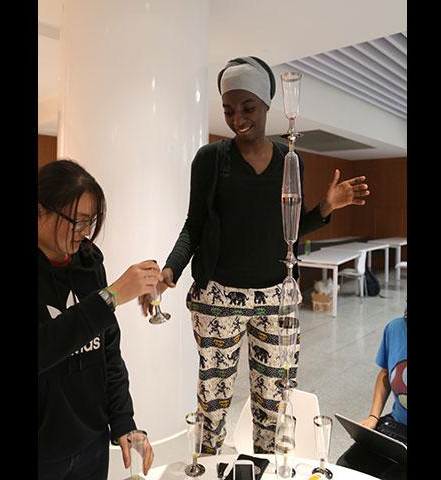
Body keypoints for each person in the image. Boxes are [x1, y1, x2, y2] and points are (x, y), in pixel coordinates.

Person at [141, 56, 370, 454]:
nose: (238, 119)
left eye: (247, 108)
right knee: (213, 403)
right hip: (218, 300)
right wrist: (170, 269)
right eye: (229, 110)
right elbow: (194, 225)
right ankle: (207, 469)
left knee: (274, 404)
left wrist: (326, 207)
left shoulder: (289, 159)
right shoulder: (210, 160)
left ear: (266, 104)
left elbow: (290, 230)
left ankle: (266, 468)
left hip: (276, 298)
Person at [38, 159, 159, 480]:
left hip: (92, 444)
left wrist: (122, 421)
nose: (85, 232)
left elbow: (107, 350)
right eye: (77, 221)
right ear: (40, 211)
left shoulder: (89, 262)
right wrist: (110, 297)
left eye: (91, 222)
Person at [335, 308, 407, 477]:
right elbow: (385, 373)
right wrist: (373, 417)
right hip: (397, 426)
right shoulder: (395, 329)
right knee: (345, 466)